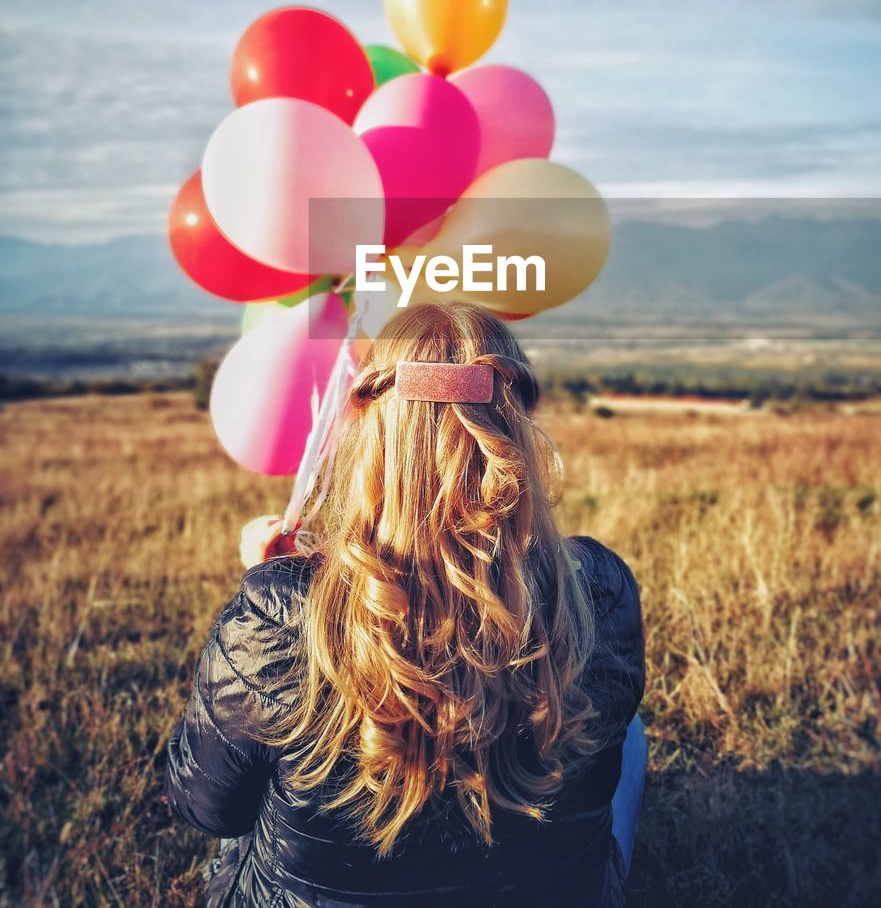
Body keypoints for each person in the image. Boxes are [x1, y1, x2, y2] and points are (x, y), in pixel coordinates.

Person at [166, 302, 646, 908]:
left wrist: (272, 593)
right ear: (516, 429)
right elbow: (598, 767)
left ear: (370, 431)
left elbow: (206, 808)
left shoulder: (278, 614)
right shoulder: (597, 590)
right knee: (630, 736)